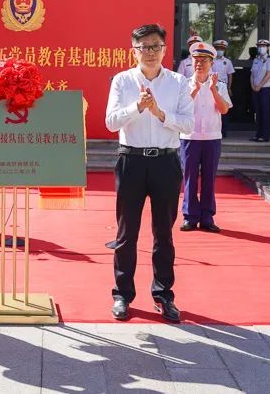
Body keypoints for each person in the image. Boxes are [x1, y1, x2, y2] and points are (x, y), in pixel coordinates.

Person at [105, 23, 194, 323]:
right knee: (126, 233)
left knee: (164, 234)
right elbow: (111, 122)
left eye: (156, 46)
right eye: (144, 47)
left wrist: (158, 113)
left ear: (165, 49)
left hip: (166, 163)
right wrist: (138, 108)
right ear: (134, 51)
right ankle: (122, 294)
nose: (150, 52)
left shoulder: (178, 82)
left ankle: (163, 294)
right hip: (131, 160)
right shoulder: (122, 81)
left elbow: (188, 125)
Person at [179, 42, 232, 233]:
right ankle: (190, 217)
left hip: (211, 137)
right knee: (190, 178)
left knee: (209, 178)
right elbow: (180, 109)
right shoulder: (183, 84)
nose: (199, 64)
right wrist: (195, 90)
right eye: (196, 60)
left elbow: (224, 109)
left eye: (204, 61)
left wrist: (213, 90)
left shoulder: (220, 85)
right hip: (189, 137)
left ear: (212, 63)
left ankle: (207, 217)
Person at [250, 38, 270, 142]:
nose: (261, 48)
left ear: (268, 47)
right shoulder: (256, 60)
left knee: (265, 112)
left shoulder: (269, 59)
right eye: (260, 46)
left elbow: (269, 73)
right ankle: (258, 134)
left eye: (264, 46)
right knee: (258, 112)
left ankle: (265, 135)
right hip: (255, 89)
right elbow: (252, 74)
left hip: (265, 89)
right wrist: (252, 85)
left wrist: (260, 85)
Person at [211, 39, 235, 137]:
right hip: (213, 86)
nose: (220, 50)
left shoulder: (227, 62)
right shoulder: (211, 60)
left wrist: (229, 88)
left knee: (225, 109)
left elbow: (230, 75)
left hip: (223, 87)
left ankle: (223, 131)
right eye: (218, 48)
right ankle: (215, 129)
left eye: (222, 49)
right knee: (214, 108)